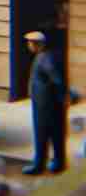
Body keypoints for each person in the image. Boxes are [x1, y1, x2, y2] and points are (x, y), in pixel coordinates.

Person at [25, 30, 69, 175]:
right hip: (48, 103)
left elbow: (56, 78)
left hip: (45, 105)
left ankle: (39, 164)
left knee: (42, 134)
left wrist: (62, 95)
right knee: (56, 133)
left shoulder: (44, 58)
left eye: (30, 43)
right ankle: (58, 162)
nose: (29, 46)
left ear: (38, 45)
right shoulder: (46, 56)